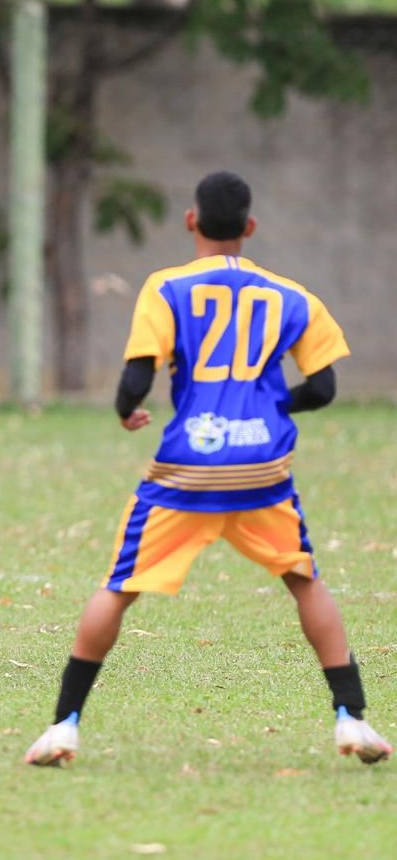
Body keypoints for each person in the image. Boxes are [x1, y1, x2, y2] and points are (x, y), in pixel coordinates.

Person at [24, 171, 391, 767]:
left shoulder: (166, 288)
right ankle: (352, 717)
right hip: (262, 466)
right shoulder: (292, 296)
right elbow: (322, 388)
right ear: (249, 228)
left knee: (118, 589)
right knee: (305, 579)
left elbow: (136, 378)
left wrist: (127, 411)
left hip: (188, 466)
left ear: (191, 221)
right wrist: (271, 405)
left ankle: (64, 726)